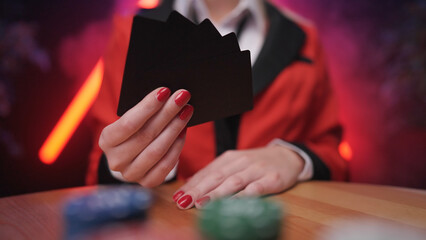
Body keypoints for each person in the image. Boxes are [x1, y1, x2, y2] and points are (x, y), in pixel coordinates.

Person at [89, 0, 348, 210]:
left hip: (278, 221)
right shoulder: (131, 30)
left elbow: (333, 156)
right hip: (168, 220)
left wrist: (293, 158)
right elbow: (101, 163)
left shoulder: (303, 37)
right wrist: (125, 169)